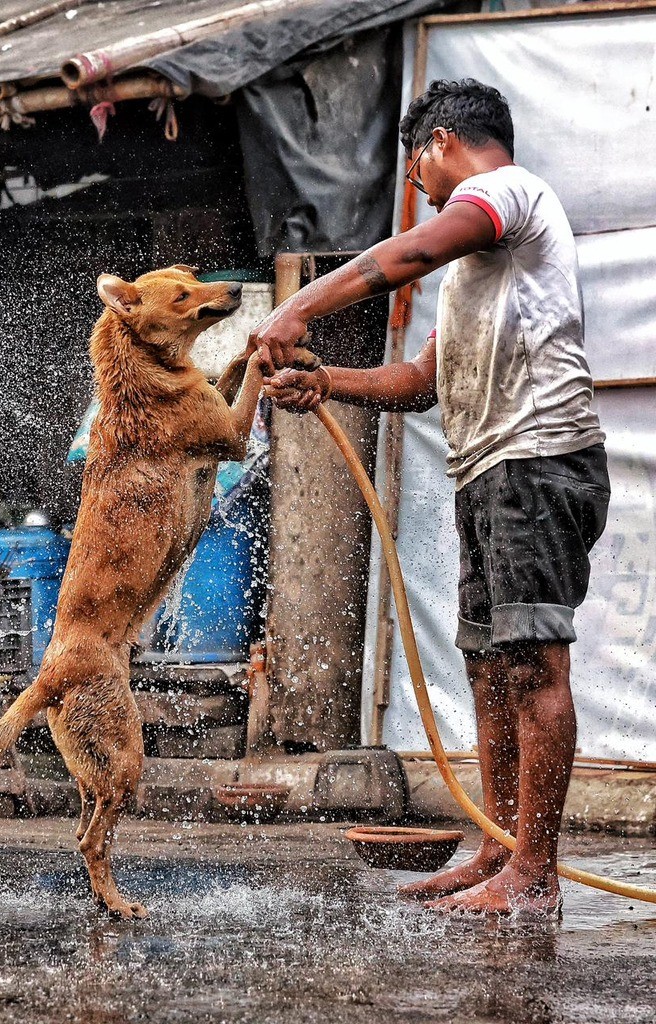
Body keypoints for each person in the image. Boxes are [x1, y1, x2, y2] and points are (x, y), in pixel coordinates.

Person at [248, 79, 610, 916]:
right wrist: (324, 380)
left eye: (417, 169)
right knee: (489, 669)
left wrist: (298, 306)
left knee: (532, 663)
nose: (419, 188)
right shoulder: (483, 264)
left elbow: (403, 257)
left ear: (442, 140)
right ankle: (498, 849)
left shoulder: (505, 194)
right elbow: (420, 382)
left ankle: (537, 872)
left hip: (539, 460)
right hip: (490, 470)